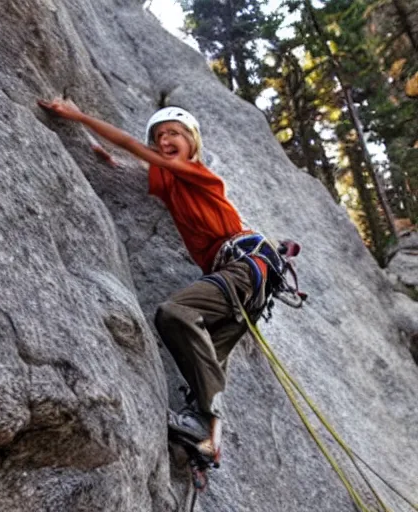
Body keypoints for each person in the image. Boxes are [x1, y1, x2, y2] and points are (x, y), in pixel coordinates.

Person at [38, 97, 282, 463]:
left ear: (192, 142)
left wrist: (78, 116)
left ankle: (207, 422)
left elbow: (129, 145)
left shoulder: (198, 172)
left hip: (244, 266)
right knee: (208, 358)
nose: (165, 140)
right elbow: (128, 164)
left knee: (175, 313)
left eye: (174, 134)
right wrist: (103, 156)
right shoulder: (172, 183)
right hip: (242, 278)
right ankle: (207, 439)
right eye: (160, 136)